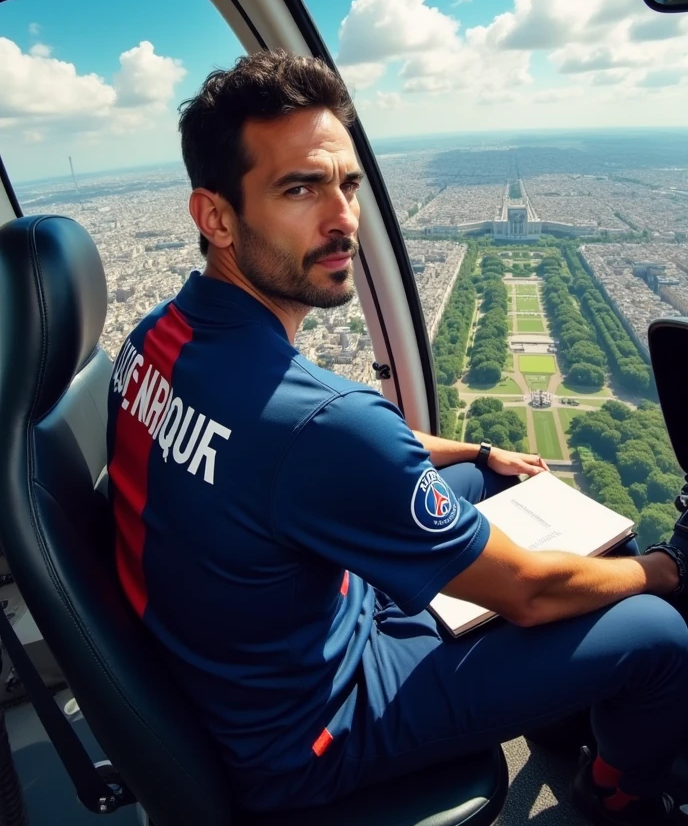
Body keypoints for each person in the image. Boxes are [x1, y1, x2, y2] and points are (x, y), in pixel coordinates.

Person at [106, 50, 688, 825]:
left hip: (243, 657)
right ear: (215, 217)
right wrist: (670, 564)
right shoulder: (319, 423)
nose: (343, 215)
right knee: (656, 629)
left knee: (505, 486)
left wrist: (479, 457)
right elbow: (528, 590)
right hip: (316, 731)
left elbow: (327, 449)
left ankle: (555, 705)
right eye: (300, 187)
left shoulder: (152, 341)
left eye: (347, 184)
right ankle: (614, 793)